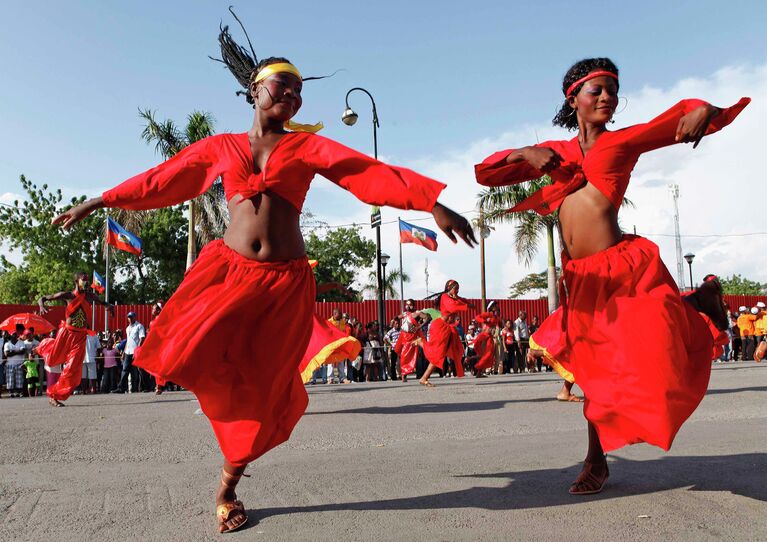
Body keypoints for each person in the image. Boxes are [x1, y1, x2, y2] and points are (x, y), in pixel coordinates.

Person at [51, 16, 475, 534]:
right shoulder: (220, 147)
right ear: (254, 91)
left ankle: (229, 482)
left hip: (284, 284)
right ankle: (223, 442)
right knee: (202, 360)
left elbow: (366, 173)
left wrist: (431, 203)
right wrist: (102, 199)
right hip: (227, 276)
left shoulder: (306, 147)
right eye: (283, 87)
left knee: (268, 388)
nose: (292, 98)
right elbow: (164, 179)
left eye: (298, 94)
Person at [475, 57, 745, 495]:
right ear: (573, 99)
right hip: (582, 279)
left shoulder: (622, 143)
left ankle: (595, 460)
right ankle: (695, 303)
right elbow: (486, 174)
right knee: (594, 370)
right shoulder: (555, 152)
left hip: (622, 267)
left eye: (612, 91)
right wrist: (524, 153)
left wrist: (705, 107)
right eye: (596, 90)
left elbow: (678, 117)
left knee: (645, 354)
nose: (606, 98)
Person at [37, 272, 113, 407]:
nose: (87, 283)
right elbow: (42, 298)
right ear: (76, 282)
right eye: (84, 280)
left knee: (72, 368)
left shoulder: (90, 296)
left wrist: (109, 306)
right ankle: (46, 345)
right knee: (53, 359)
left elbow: (104, 302)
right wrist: (42, 305)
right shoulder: (68, 296)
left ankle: (55, 395)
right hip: (66, 333)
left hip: (80, 337)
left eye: (87, 280)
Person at [420, 280, 471, 387]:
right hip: (440, 327)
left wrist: (469, 304)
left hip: (448, 328)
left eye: (458, 288)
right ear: (449, 288)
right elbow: (452, 307)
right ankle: (421, 343)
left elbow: (463, 300)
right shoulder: (445, 297)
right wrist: (465, 306)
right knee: (438, 353)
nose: (457, 291)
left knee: (449, 351)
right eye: (455, 288)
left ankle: (424, 377)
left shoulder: (453, 297)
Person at [114, 312, 146, 393]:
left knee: (139, 370)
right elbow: (128, 341)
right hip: (128, 351)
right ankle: (121, 388)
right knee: (125, 370)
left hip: (135, 351)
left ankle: (145, 387)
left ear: (135, 317)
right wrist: (124, 352)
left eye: (131, 317)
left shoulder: (139, 326)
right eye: (129, 317)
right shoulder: (127, 328)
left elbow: (142, 339)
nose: (130, 318)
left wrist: (137, 351)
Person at [4, 333, 27, 398]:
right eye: (13, 334)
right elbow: (7, 354)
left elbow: (23, 351)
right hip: (9, 364)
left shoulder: (21, 342)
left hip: (19, 364)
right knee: (10, 380)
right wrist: (17, 351)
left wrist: (12, 352)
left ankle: (19, 392)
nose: (14, 335)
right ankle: (11, 393)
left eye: (15, 334)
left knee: (19, 379)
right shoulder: (7, 344)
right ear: (10, 335)